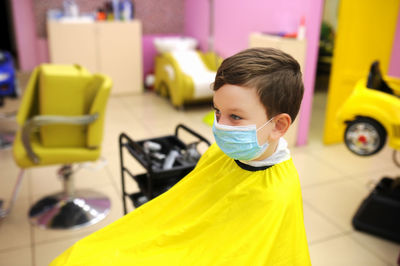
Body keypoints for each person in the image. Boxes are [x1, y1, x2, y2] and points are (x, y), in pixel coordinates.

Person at [51, 47, 311, 265]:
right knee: (80, 256)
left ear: (278, 126)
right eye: (217, 111)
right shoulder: (220, 152)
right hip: (176, 241)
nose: (220, 125)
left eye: (235, 117)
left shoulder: (276, 194)